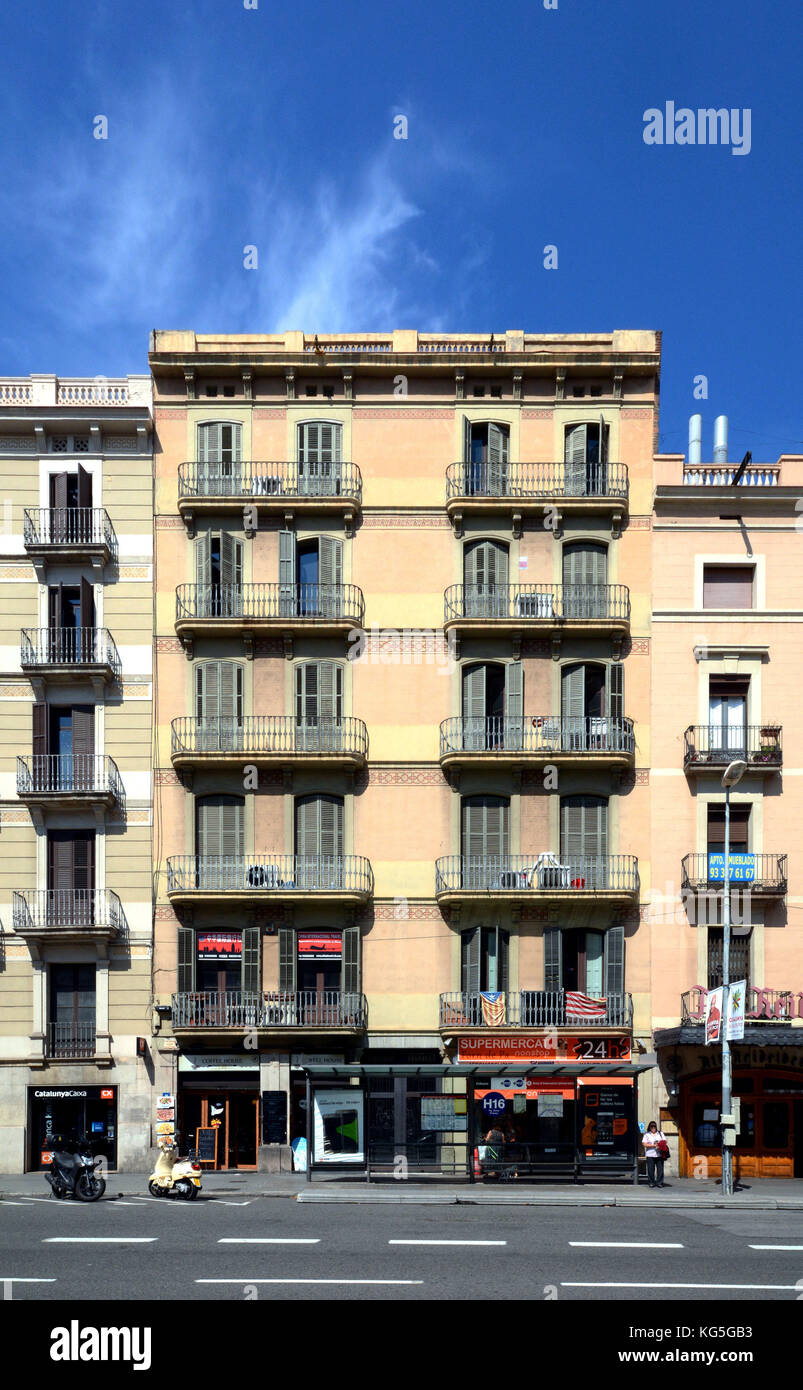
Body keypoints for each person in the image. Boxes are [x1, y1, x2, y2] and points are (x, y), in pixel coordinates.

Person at [642, 1120, 668, 1188]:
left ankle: (659, 1182)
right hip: (650, 1154)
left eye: (654, 1126)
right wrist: (653, 1145)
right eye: (651, 1126)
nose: (653, 1127)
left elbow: (665, 1141)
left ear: (656, 1127)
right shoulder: (647, 1134)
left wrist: (659, 1144)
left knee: (660, 1169)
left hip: (659, 1154)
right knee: (650, 1170)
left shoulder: (660, 1133)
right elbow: (644, 1144)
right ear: (649, 1127)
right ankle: (651, 1182)